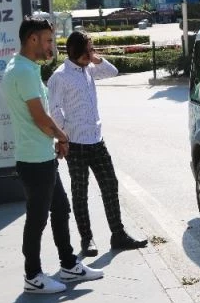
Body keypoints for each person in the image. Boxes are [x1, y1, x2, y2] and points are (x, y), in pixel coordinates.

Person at [2, 17, 103, 294]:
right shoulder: (22, 72)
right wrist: (62, 135)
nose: (51, 46)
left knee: (60, 209)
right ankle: (33, 276)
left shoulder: (24, 68)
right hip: (34, 160)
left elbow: (41, 117)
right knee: (37, 218)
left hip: (40, 156)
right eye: (47, 40)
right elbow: (40, 117)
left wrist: (55, 137)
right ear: (32, 39)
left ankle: (69, 265)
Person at [47, 31, 147, 256]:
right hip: (76, 144)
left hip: (97, 140)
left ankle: (118, 234)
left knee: (110, 185)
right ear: (73, 51)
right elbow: (54, 110)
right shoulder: (60, 77)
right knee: (80, 192)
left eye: (90, 50)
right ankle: (87, 239)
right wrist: (63, 138)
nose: (88, 54)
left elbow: (113, 71)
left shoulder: (88, 69)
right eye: (85, 50)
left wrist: (95, 58)